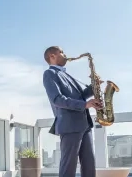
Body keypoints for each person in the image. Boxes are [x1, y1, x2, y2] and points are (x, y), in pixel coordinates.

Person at [42, 46, 102, 177]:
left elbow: (81, 96)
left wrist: (94, 86)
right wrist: (85, 104)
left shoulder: (65, 74)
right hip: (69, 126)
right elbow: (57, 99)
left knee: (89, 165)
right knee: (68, 166)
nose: (65, 54)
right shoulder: (49, 74)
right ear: (52, 56)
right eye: (61, 52)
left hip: (85, 125)